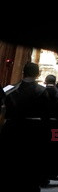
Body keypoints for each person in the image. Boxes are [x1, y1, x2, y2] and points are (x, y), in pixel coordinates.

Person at [0, 63, 50, 191]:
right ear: (38, 74)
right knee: (31, 163)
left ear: (23, 72)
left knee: (12, 161)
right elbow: (46, 115)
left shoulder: (9, 89)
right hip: (33, 131)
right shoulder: (42, 91)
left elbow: (4, 110)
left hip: (12, 130)